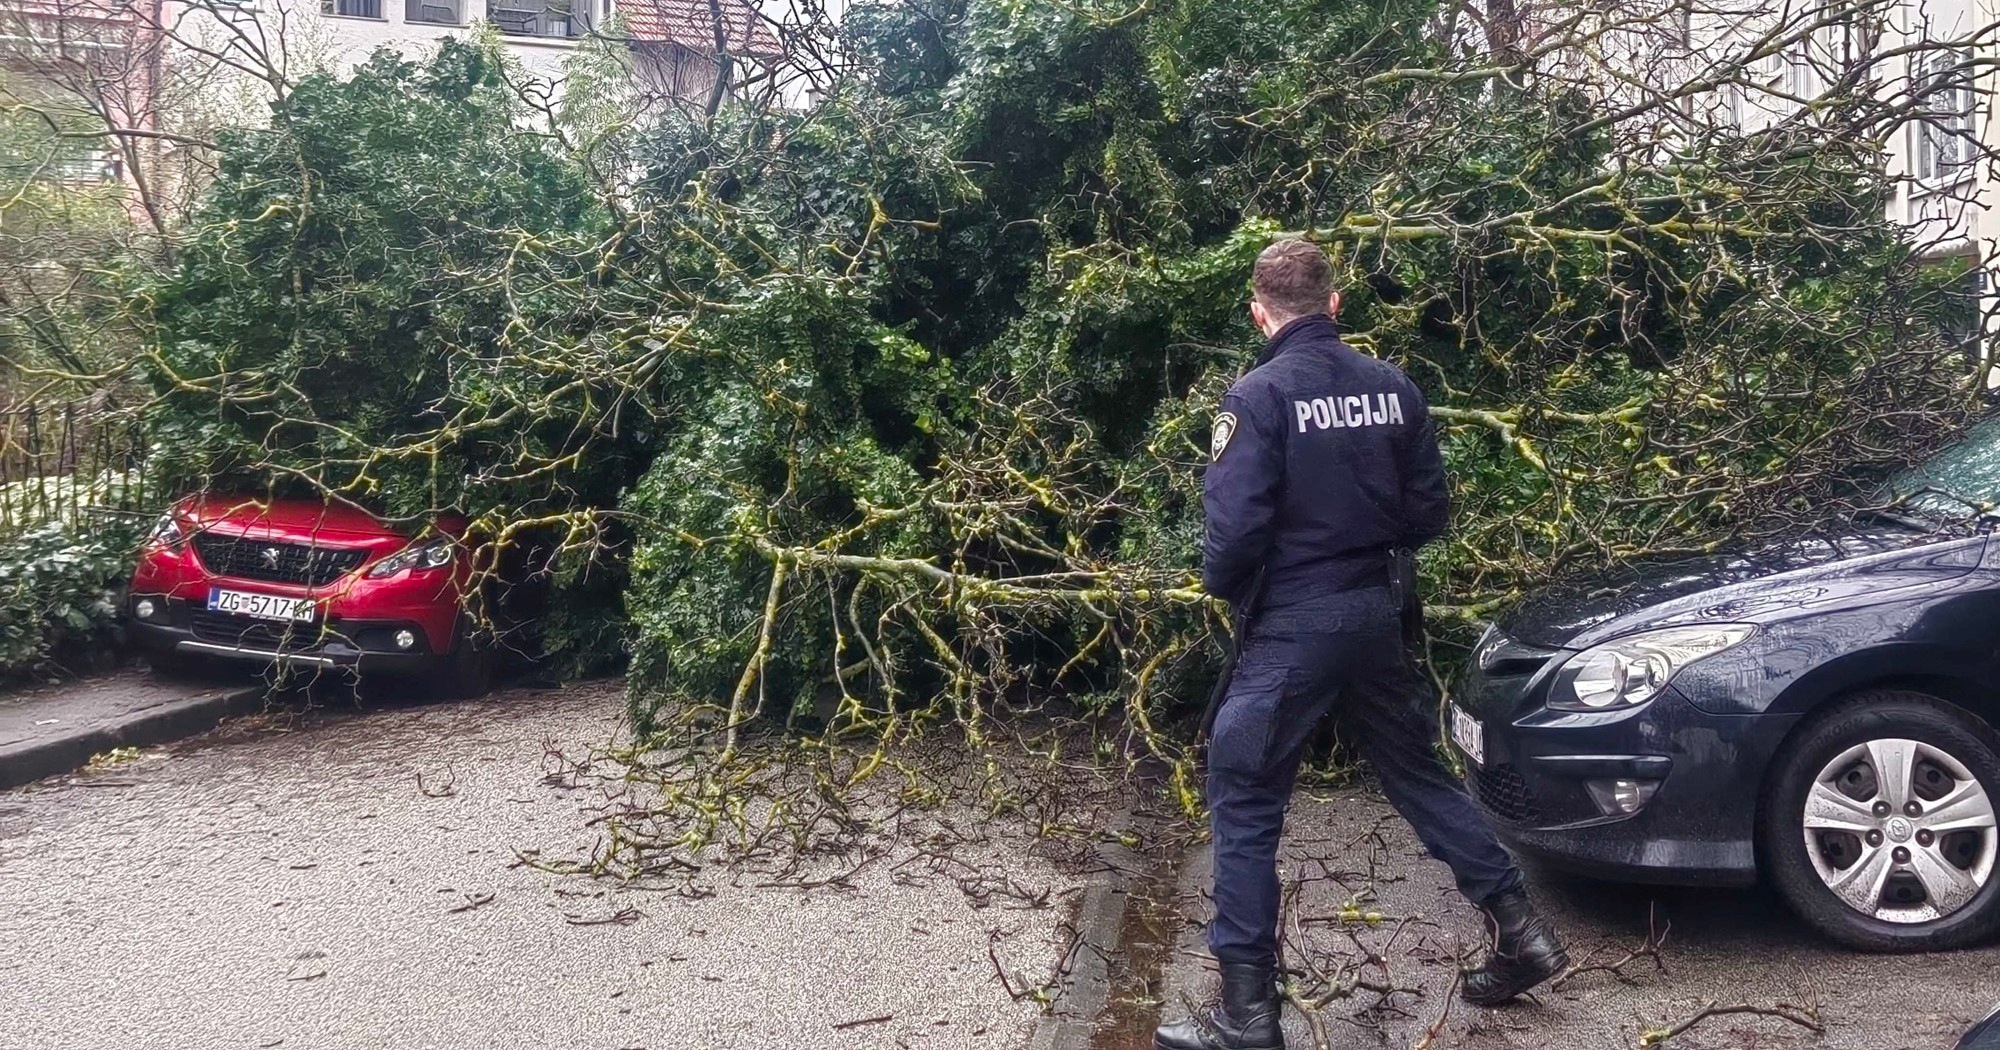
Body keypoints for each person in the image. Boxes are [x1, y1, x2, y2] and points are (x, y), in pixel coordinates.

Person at [1154, 240, 1569, 1050]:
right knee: (1419, 775)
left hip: (1293, 625)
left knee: (1242, 799)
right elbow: (1428, 517)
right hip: (1377, 616)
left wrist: (1238, 591)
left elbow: (1231, 539)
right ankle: (1520, 931)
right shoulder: (1394, 389)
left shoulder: (1258, 396)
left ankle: (1246, 1013)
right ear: (1336, 304)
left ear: (1258, 311)